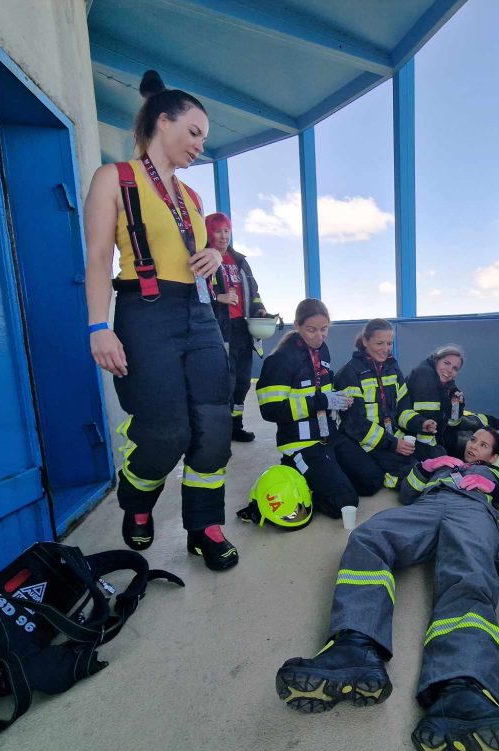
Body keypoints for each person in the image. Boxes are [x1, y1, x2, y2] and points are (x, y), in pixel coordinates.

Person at [275, 427, 499, 751]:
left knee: (470, 578)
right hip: (430, 507)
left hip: (474, 515)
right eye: (473, 440)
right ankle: (354, 647)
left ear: (494, 457)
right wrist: (424, 470)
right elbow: (406, 493)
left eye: (484, 445)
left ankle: (460, 693)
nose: (474, 447)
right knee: (369, 537)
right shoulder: (444, 464)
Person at [83, 70, 237, 571]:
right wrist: (97, 326)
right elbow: (98, 257)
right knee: (165, 430)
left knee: (214, 424)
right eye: (193, 132)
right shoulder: (114, 178)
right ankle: (138, 497)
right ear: (162, 120)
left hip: (198, 313)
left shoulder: (191, 198)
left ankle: (204, 525)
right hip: (143, 313)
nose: (199, 145)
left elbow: (190, 256)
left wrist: (212, 260)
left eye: (204, 139)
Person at [255, 299, 362, 520]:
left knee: (369, 481)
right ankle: (293, 466)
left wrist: (338, 400)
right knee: (344, 503)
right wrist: (322, 401)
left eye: (324, 330)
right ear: (297, 325)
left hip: (329, 435)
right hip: (300, 442)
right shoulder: (279, 361)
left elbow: (322, 391)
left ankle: (322, 473)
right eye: (311, 330)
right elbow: (271, 410)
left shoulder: (323, 351)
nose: (319, 336)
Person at [333, 319, 435, 493]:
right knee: (406, 472)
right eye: (379, 343)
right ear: (365, 341)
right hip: (363, 441)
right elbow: (355, 424)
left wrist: (421, 423)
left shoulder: (392, 368)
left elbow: (403, 410)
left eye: (389, 343)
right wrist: (394, 444)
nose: (386, 349)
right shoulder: (349, 373)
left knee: (434, 454)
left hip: (390, 437)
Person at [205, 212, 270, 442]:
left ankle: (235, 426)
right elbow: (194, 292)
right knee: (225, 383)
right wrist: (217, 298)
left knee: (242, 382)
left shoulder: (240, 260)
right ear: (208, 232)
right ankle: (219, 431)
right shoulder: (203, 258)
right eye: (218, 231)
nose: (223, 237)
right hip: (219, 330)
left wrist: (260, 310)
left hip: (243, 329)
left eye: (227, 231)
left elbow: (254, 293)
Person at [406, 344, 499, 459]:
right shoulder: (424, 376)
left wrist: (457, 405)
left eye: (455, 368)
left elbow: (453, 421)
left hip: (442, 427)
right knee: (469, 433)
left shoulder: (444, 380)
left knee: (480, 421)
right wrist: (436, 455)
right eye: (446, 363)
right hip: (422, 436)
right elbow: (427, 429)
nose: (449, 370)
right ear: (436, 360)